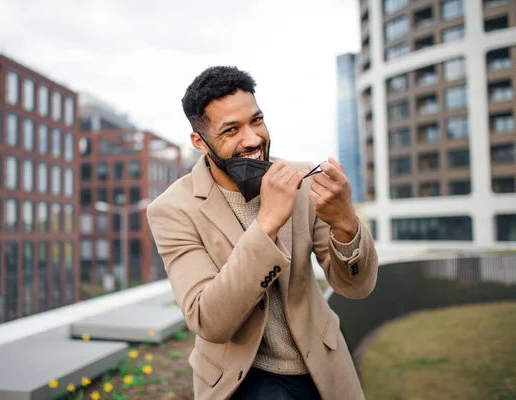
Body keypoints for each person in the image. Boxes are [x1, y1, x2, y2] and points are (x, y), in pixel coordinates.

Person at [146, 66, 378, 400]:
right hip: (241, 381)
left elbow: (356, 287)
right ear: (200, 142)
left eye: (256, 120)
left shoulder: (302, 179)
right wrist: (266, 224)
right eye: (231, 130)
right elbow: (209, 321)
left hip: (322, 369)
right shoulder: (172, 209)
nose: (253, 139)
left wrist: (345, 223)